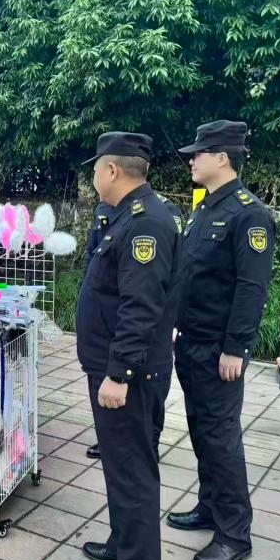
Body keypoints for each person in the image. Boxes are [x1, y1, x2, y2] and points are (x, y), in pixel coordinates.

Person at [75, 132, 179, 560]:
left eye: (96, 167)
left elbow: (140, 307)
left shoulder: (146, 222)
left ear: (112, 170)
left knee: (133, 472)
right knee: (120, 466)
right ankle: (123, 543)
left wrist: (118, 375)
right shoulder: (123, 214)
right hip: (112, 365)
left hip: (129, 374)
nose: (94, 175)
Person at [166, 120, 275, 560]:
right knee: (201, 430)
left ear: (223, 158)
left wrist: (237, 348)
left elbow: (252, 288)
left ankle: (234, 533)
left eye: (199, 153)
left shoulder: (250, 215)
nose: (192, 160)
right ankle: (209, 506)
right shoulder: (205, 208)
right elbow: (190, 275)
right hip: (191, 342)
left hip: (218, 350)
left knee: (221, 438)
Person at [85, 191, 184, 461]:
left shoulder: (158, 215)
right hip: (113, 324)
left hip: (143, 329)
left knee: (147, 398)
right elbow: (93, 257)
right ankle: (110, 441)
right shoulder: (106, 209)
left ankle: (151, 441)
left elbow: (164, 280)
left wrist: (173, 322)